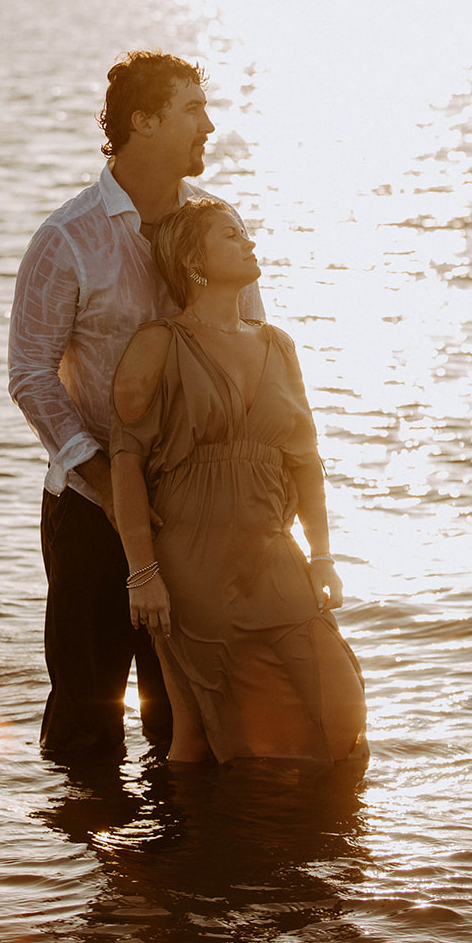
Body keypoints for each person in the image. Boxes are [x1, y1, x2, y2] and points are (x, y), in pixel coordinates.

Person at [9, 51, 264, 758]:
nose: (208, 126)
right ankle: (77, 866)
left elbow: (252, 351)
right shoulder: (67, 238)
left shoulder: (219, 225)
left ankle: (180, 864)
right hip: (92, 514)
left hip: (199, 513)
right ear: (142, 122)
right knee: (86, 728)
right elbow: (30, 373)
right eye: (191, 111)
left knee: (190, 723)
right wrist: (99, 481)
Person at [109, 197, 367, 768]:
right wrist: (143, 573)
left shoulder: (278, 344)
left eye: (245, 232)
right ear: (194, 260)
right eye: (232, 235)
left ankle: (324, 845)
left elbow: (305, 459)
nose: (249, 242)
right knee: (213, 731)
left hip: (273, 555)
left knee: (342, 712)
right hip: (194, 564)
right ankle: (212, 842)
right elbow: (125, 461)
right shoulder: (160, 343)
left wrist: (322, 555)